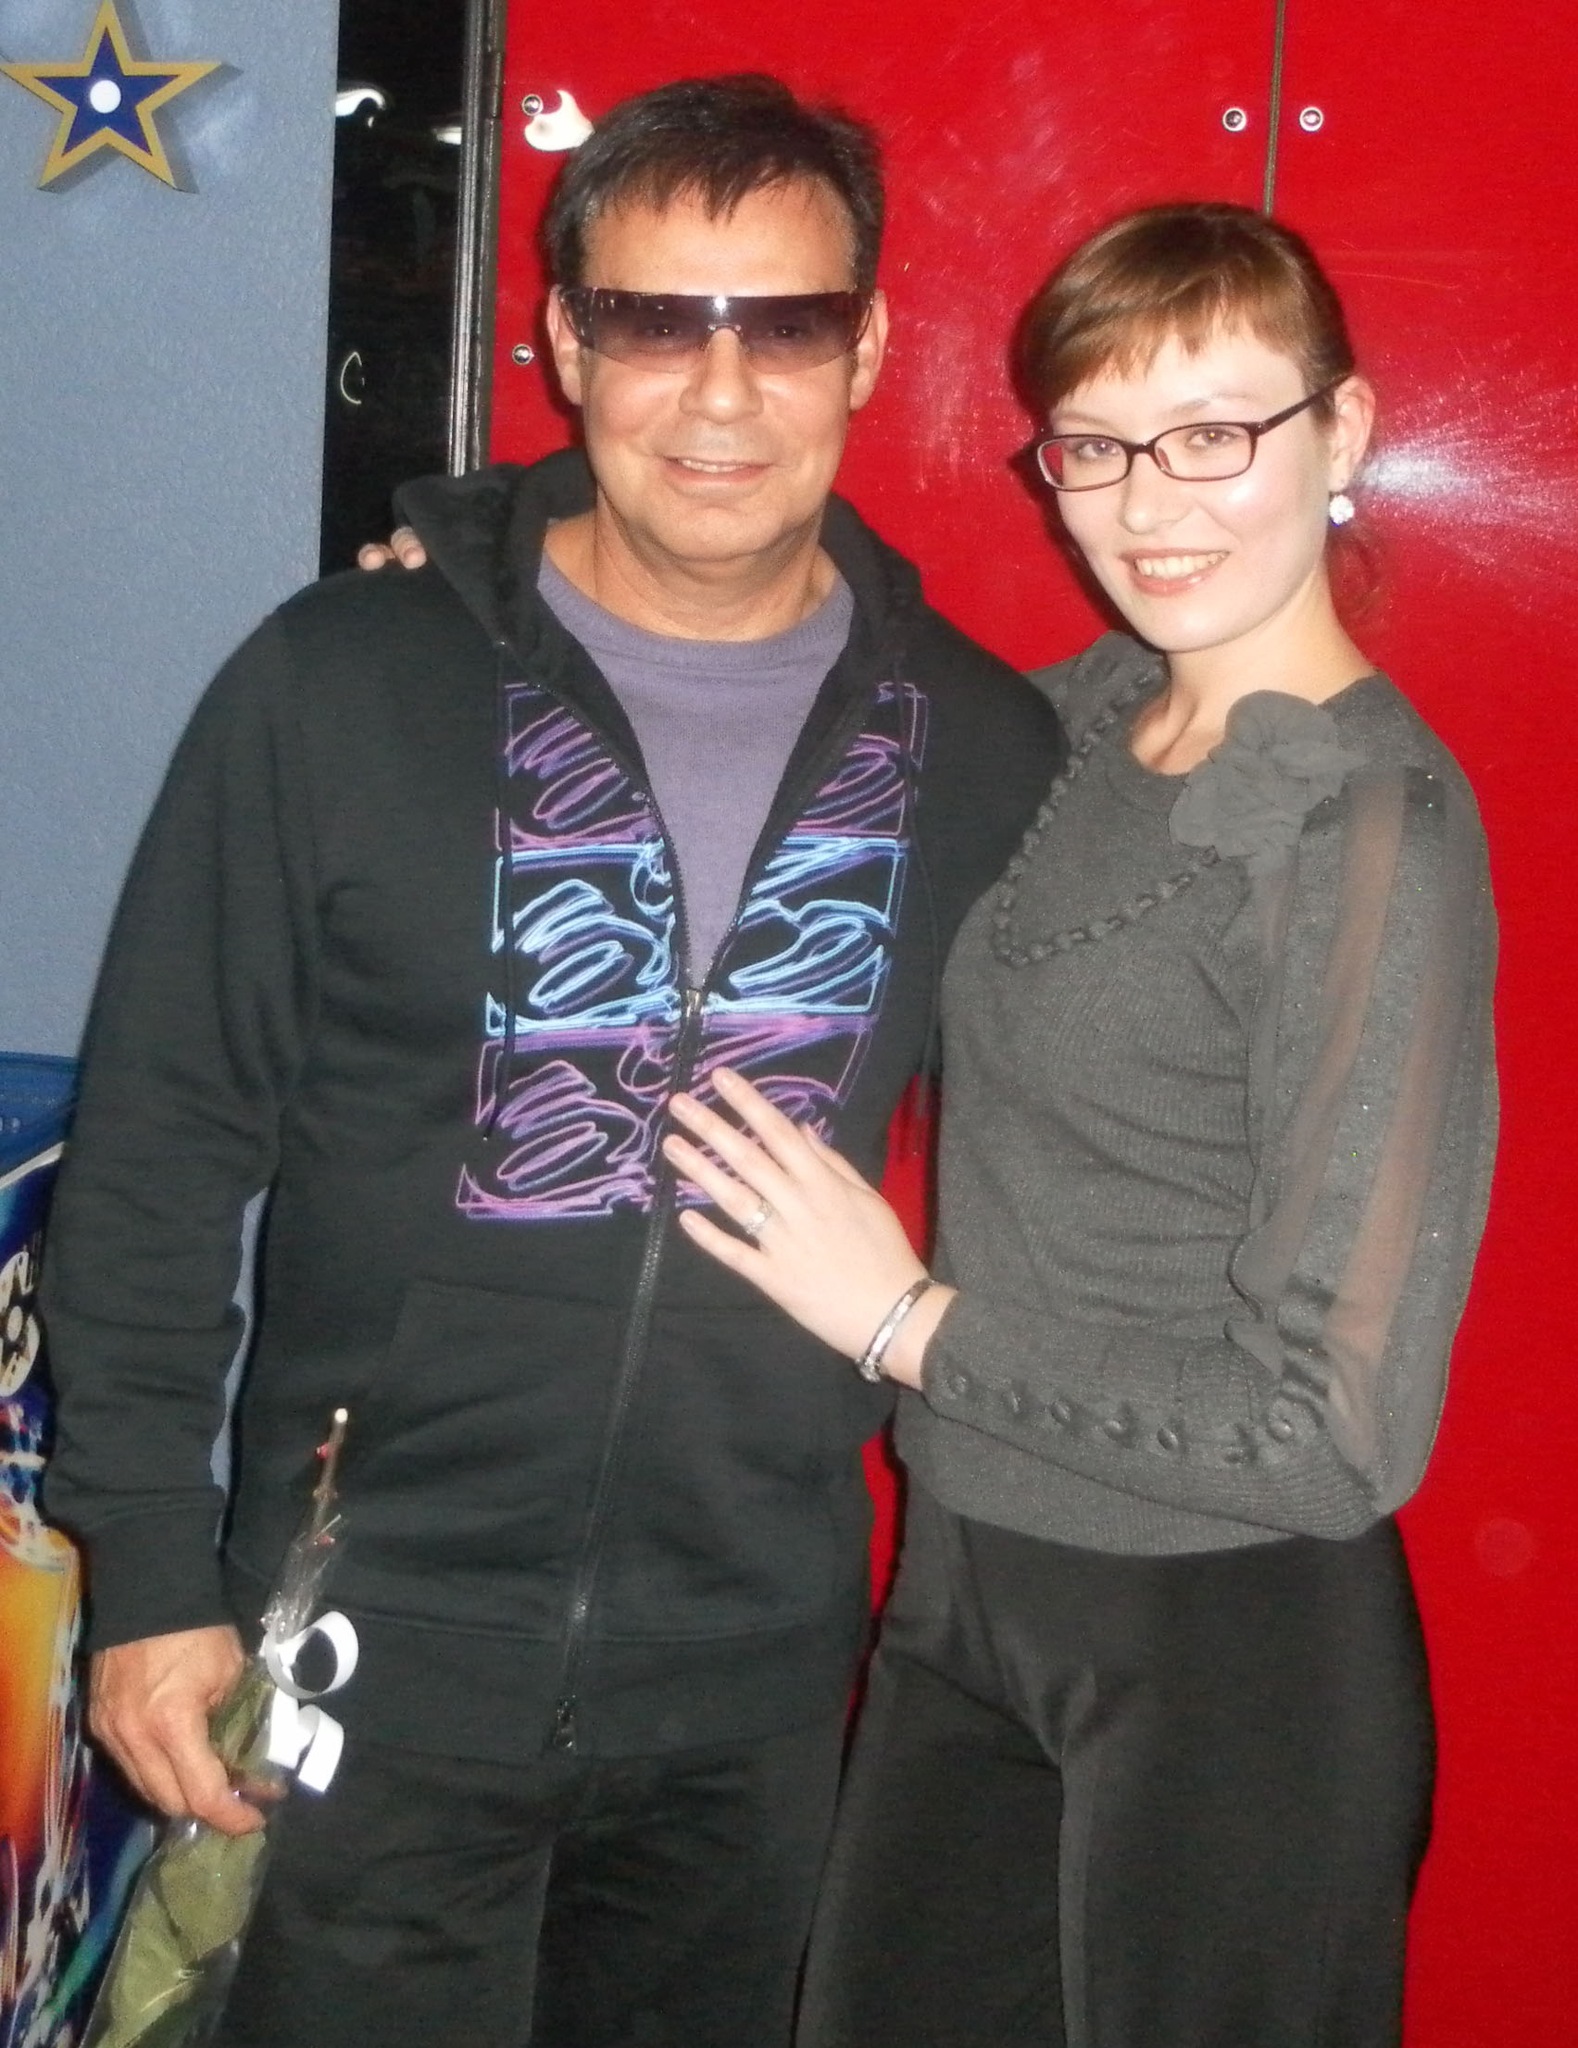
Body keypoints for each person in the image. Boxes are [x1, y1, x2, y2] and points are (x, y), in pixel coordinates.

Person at [39, 75, 1062, 2048]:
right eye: (656, 320)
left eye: (782, 324)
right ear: (566, 342)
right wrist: (150, 1571)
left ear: (866, 347)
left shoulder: (985, 751)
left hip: (754, 1691)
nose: (719, 392)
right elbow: (163, 1141)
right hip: (363, 1653)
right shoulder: (341, 683)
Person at [661, 202, 1498, 2048]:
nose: (1148, 504)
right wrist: (481, 580)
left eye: (1214, 434)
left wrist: (905, 1322)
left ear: (1342, 433)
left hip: (1227, 1662)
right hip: (966, 1590)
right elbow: (747, 675)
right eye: (1097, 446)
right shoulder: (1075, 720)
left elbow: (1332, 1437)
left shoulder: (1369, 830)